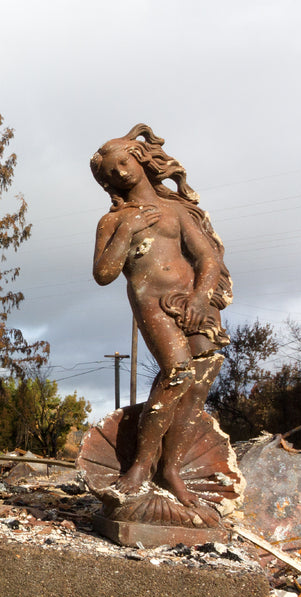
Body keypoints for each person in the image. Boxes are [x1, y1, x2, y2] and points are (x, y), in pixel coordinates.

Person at [90, 124, 232, 519]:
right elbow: (103, 272)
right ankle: (139, 466)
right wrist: (128, 232)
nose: (119, 172)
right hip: (150, 300)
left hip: (193, 300)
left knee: (203, 375)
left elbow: (208, 257)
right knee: (176, 372)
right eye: (110, 171)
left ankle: (170, 469)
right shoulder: (112, 221)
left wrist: (202, 298)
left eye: (124, 161)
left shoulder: (176, 211)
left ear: (139, 159)